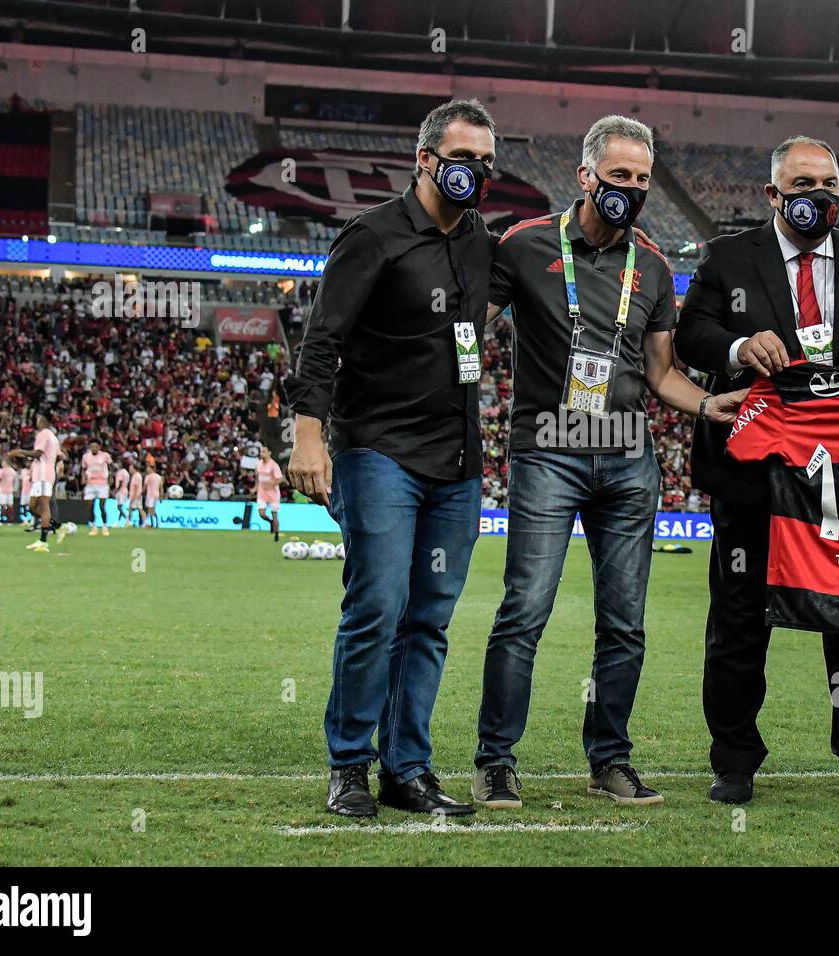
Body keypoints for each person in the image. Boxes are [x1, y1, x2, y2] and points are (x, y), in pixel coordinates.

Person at [470, 115, 747, 811]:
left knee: (624, 622)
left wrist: (711, 405)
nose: (631, 189)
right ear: (585, 176)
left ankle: (610, 759)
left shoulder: (651, 263)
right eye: (618, 175)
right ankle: (495, 760)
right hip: (547, 453)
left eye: (642, 178)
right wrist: (452, 381)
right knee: (525, 610)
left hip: (629, 459)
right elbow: (470, 329)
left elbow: (661, 372)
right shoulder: (524, 245)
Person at [673, 135, 839, 807]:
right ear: (773, 195)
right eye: (802, 185)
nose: (818, 197)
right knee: (740, 622)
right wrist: (739, 344)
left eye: (829, 185)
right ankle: (735, 761)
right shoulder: (727, 257)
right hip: (755, 469)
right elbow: (691, 336)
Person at [286, 99, 497, 819]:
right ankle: (348, 765)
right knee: (377, 606)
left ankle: (406, 769)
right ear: (426, 160)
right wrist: (308, 433)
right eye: (463, 158)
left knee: (429, 620)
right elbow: (322, 340)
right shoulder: (370, 236)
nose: (476, 172)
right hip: (377, 450)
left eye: (487, 162)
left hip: (458, 461)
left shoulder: (480, 242)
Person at [6, 414, 62, 553]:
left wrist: (19, 452)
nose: (36, 422)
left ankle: (43, 542)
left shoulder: (44, 434)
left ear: (43, 422)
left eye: (38, 420)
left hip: (43, 475)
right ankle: (59, 527)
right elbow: (60, 456)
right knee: (32, 507)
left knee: (43, 506)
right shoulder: (54, 437)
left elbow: (38, 453)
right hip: (44, 474)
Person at [81, 439, 113, 536]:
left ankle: (104, 526)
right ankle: (94, 527)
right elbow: (83, 469)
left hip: (102, 483)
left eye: (95, 446)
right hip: (90, 484)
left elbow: (111, 467)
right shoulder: (85, 457)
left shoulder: (105, 456)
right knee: (90, 507)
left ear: (99, 447)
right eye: (92, 447)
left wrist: (111, 478)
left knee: (102, 506)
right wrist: (83, 478)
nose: (93, 448)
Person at [254, 445, 284, 541]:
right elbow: (257, 477)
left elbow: (279, 479)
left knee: (274, 513)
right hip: (262, 492)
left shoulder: (274, 465)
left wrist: (271, 485)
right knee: (261, 514)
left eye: (263, 451)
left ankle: (276, 534)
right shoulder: (258, 464)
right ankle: (270, 522)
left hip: (273, 493)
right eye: (261, 451)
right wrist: (256, 487)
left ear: (269, 453)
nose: (261, 454)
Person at [0, 459, 17, 524]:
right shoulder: (12, 471)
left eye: (3, 462)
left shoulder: (2, 471)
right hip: (5, 489)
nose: (2, 464)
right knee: (5, 505)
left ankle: (7, 520)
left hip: (5, 490)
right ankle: (6, 520)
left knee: (7, 505)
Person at [142, 462, 162, 528]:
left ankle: (154, 523)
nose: (147, 470)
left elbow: (145, 486)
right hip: (156, 495)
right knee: (152, 509)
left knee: (150, 509)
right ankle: (155, 523)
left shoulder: (148, 477)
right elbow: (161, 487)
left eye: (148, 468)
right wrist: (161, 496)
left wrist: (141, 493)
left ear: (152, 469)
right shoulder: (159, 477)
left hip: (150, 495)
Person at [113, 458, 131, 528]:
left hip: (121, 491)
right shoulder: (126, 472)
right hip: (125, 490)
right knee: (121, 507)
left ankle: (127, 520)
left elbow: (120, 483)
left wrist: (115, 491)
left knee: (119, 507)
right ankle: (118, 523)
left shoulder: (120, 472)